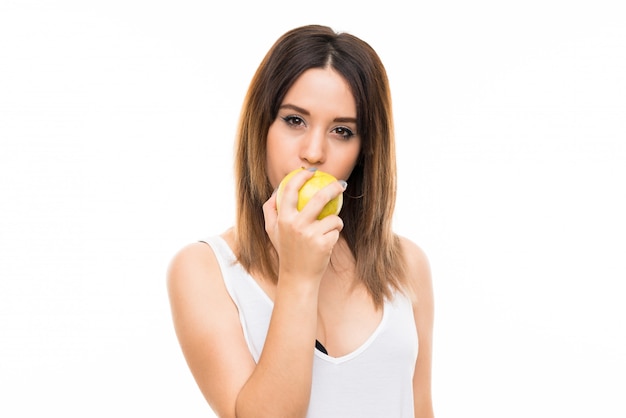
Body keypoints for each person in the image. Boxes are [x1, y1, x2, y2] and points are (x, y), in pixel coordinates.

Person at [167, 24, 434, 418]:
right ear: (262, 127)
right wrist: (298, 277)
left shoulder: (406, 264)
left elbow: (421, 409)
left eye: (342, 131)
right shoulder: (204, 270)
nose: (314, 152)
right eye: (295, 121)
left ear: (365, 150)